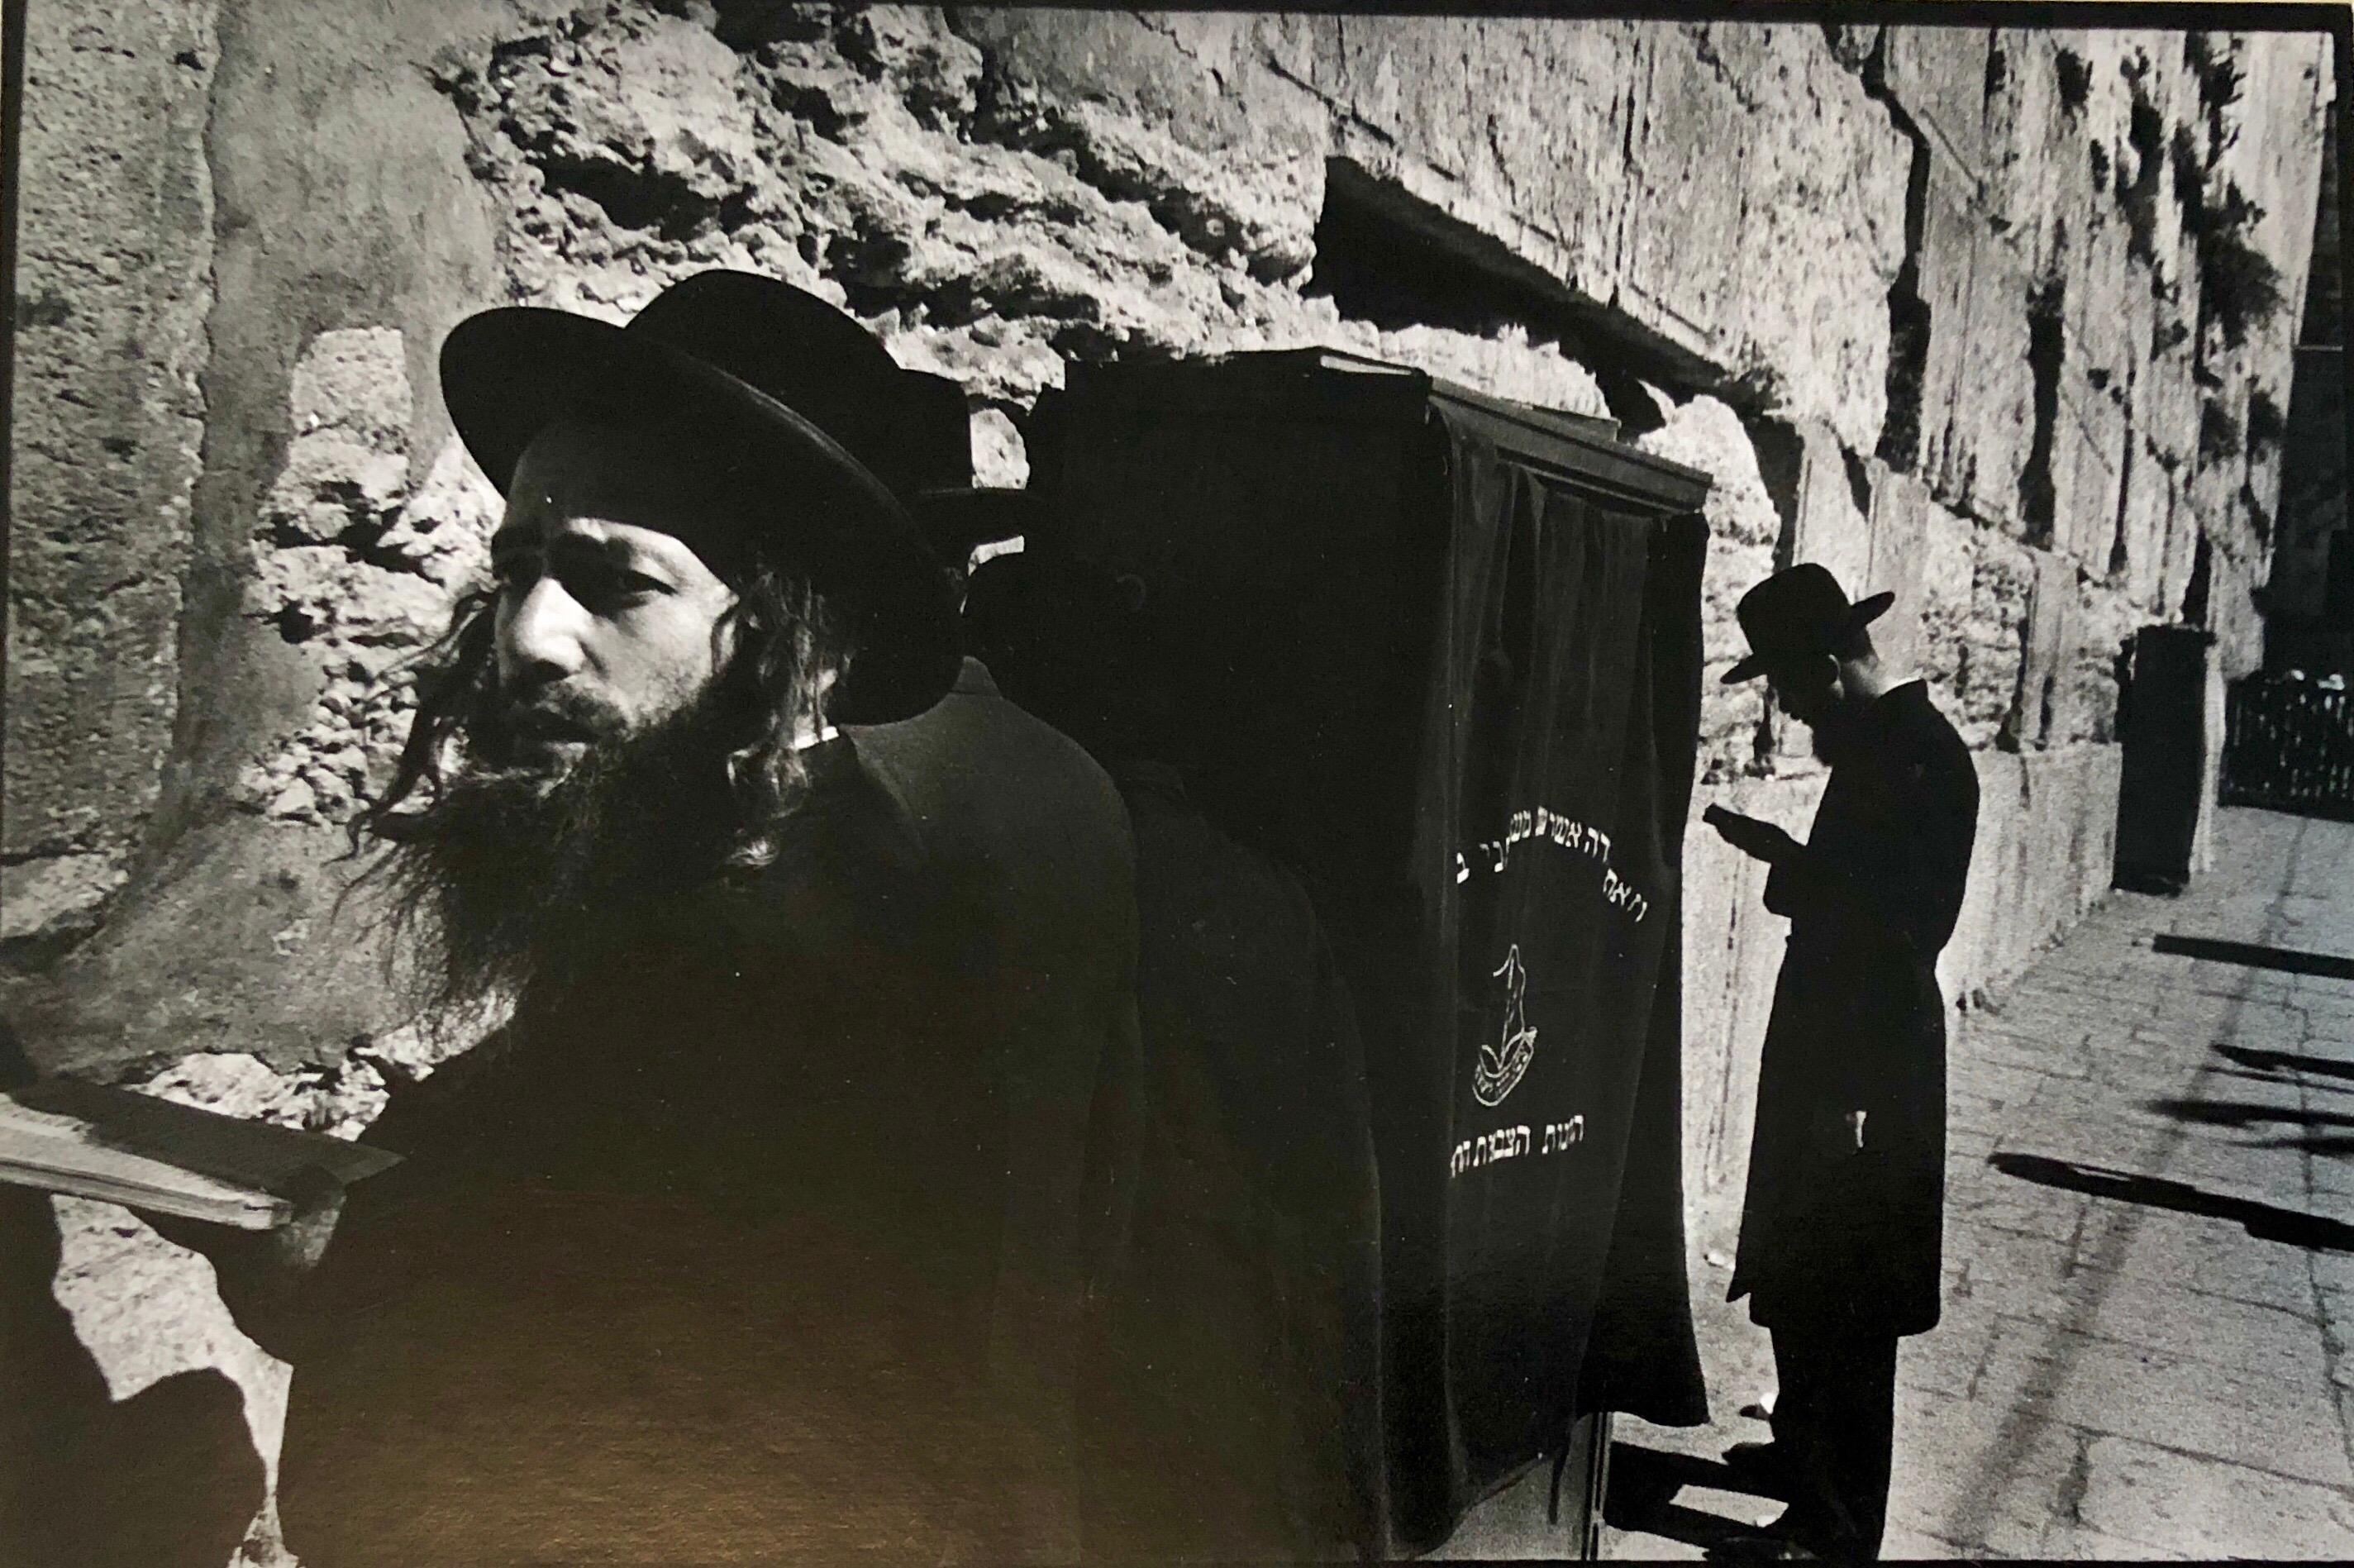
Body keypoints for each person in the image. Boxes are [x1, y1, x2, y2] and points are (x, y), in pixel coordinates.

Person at [149, 270, 1142, 1564]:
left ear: (805, 636)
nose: (528, 638)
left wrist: (360, 1265)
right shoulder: (727, 866)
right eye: (516, 569)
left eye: (615, 584)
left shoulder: (804, 967)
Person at [965, 549, 1387, 1561]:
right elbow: (1342, 1167)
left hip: (1090, 1343)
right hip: (1241, 1323)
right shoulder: (1260, 885)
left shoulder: (1039, 871)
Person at [1702, 564, 1979, 1562]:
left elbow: (1898, 937)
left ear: (1827, 667)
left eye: (1783, 686)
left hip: (1866, 1071)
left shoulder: (1917, 760)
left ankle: (1835, 1529)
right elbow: (1854, 898)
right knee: (1800, 1271)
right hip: (1835, 1056)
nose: (1781, 709)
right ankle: (1801, 1457)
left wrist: (1852, 1098)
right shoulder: (1879, 751)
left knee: (1846, 1303)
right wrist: (1783, 853)